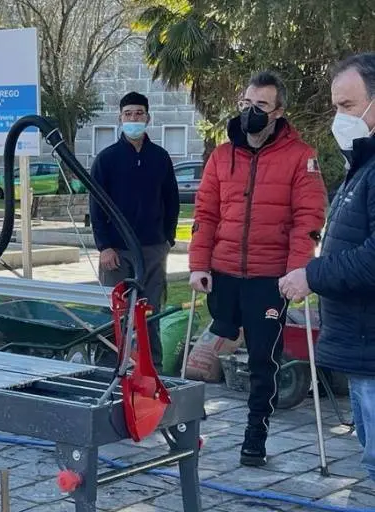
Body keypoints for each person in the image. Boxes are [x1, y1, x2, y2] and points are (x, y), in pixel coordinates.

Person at [189, 71, 327, 467]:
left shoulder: (301, 157)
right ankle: (186, 424)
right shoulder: (221, 154)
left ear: (279, 112)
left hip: (271, 277)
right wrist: (199, 265)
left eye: (261, 105)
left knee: (265, 357)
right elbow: (205, 214)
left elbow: (308, 219)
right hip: (224, 271)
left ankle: (255, 436)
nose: (251, 112)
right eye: (247, 103)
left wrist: (297, 272)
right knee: (215, 341)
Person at [279, 52, 375, 481]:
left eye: (348, 106)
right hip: (362, 345)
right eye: (336, 106)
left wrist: (311, 275)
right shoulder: (364, 165)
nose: (339, 117)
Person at [89, 91, 180, 370]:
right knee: (115, 314)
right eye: (128, 114)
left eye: (138, 114)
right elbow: (95, 206)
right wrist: (104, 246)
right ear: (120, 118)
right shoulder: (107, 159)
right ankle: (110, 367)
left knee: (150, 311)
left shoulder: (160, 158)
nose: (133, 119)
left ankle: (152, 367)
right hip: (117, 251)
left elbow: (172, 201)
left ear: (147, 117)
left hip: (153, 249)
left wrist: (168, 239)